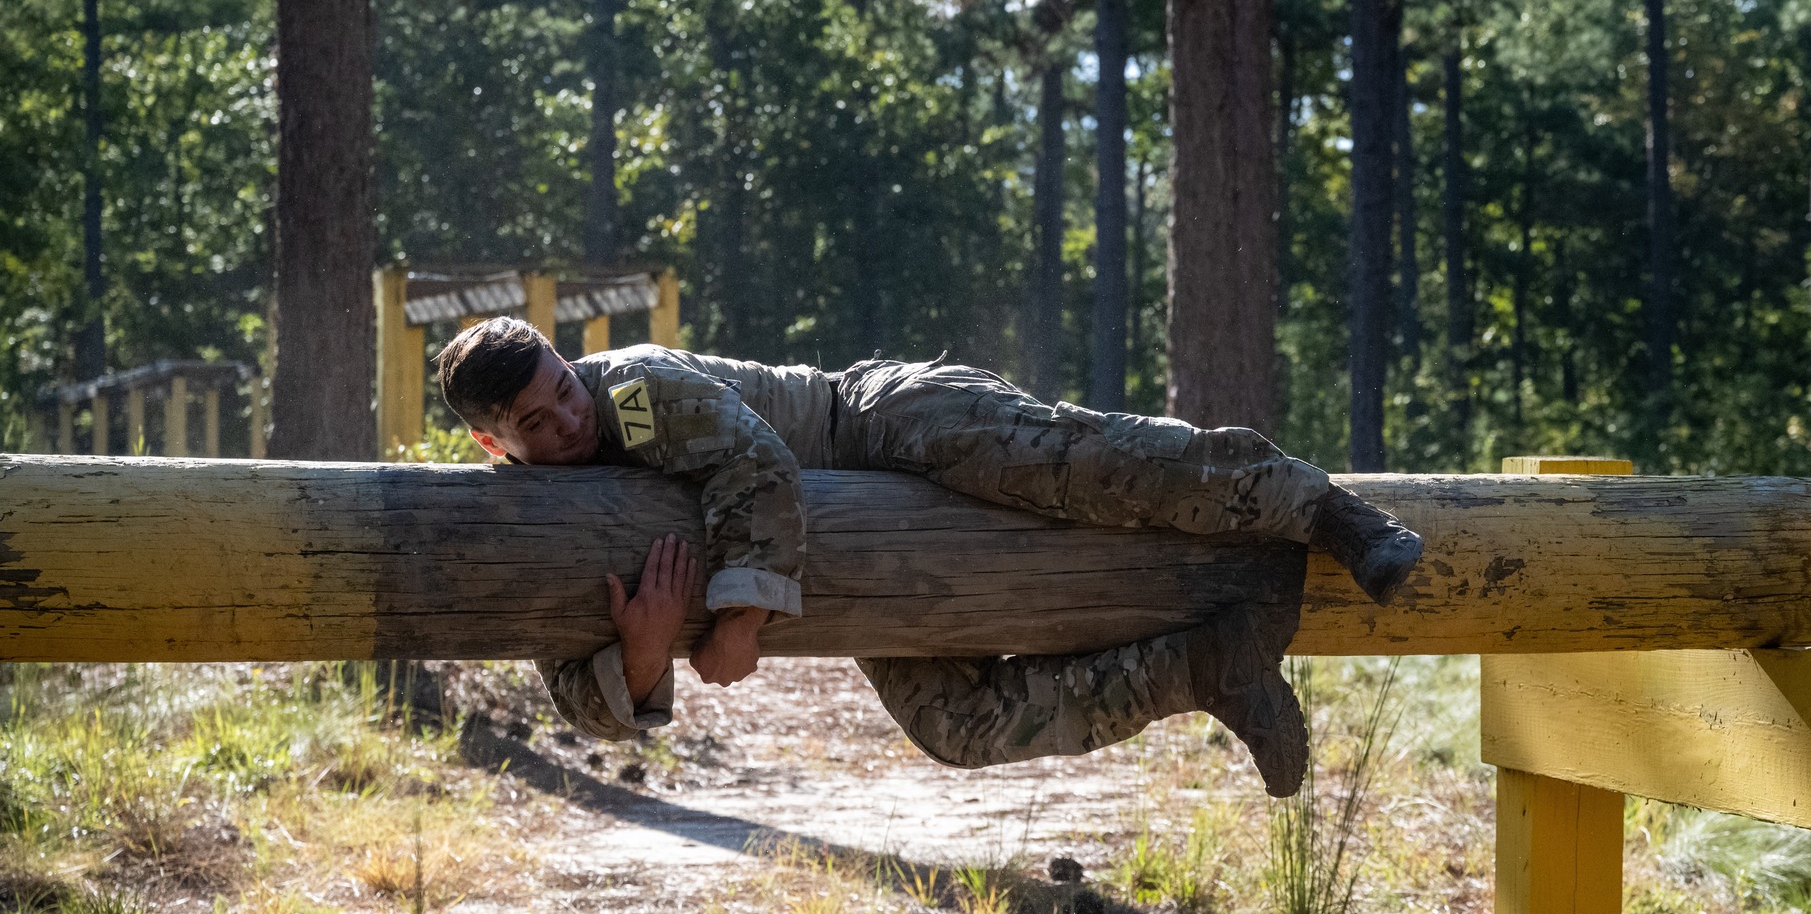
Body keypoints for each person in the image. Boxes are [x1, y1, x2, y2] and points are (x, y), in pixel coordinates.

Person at [433, 319, 1422, 797]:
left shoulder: (633, 390)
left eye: (564, 386)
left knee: (1049, 459)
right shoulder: (523, 512)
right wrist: (642, 659)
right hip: (847, 578)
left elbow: (755, 464)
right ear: (492, 445)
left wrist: (735, 624)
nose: (570, 416)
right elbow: (579, 686)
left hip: (866, 418)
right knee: (958, 725)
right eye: (537, 420)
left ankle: (1321, 509)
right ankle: (1210, 666)